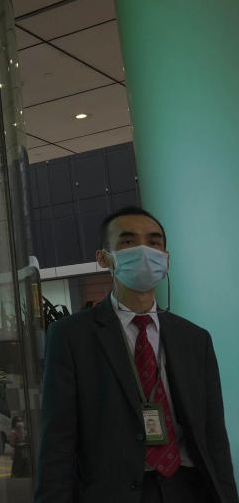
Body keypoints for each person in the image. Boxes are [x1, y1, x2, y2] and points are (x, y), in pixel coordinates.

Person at [35, 206, 238, 503]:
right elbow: (57, 441)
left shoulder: (195, 339)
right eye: (129, 242)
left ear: (166, 259)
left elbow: (214, 436)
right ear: (104, 258)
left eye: (154, 243)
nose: (144, 250)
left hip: (190, 487)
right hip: (114, 491)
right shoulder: (71, 336)